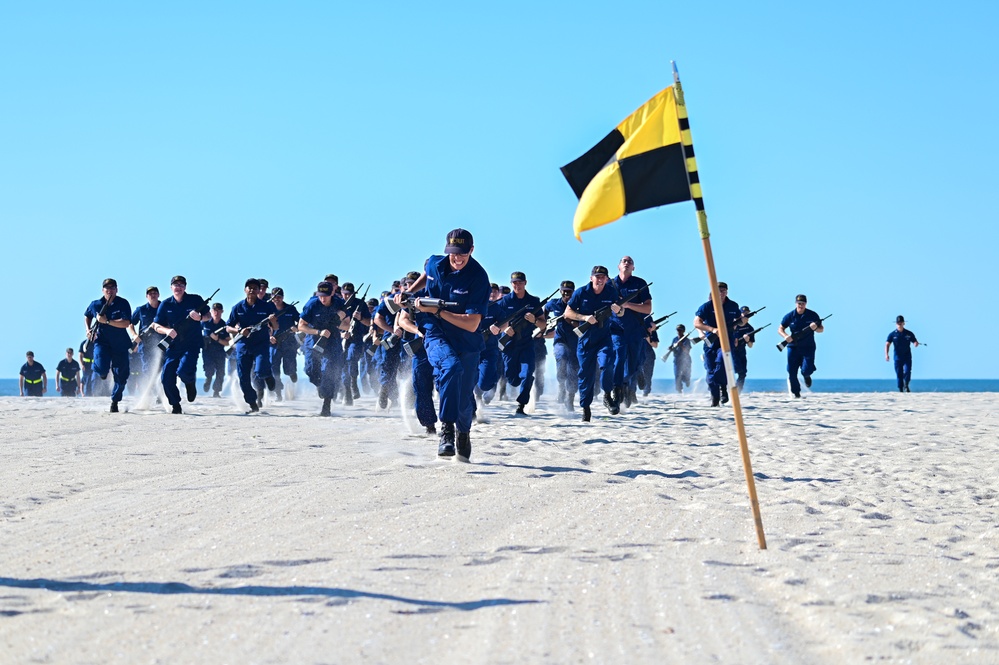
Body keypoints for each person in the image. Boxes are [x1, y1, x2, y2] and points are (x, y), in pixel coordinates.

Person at [400, 228, 490, 461]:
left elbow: (472, 324)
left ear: (471, 250)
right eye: (452, 253)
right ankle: (446, 430)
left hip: (467, 339)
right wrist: (409, 293)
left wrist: (438, 310)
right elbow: (426, 272)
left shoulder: (479, 278)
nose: (457, 258)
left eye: (462, 253)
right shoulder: (434, 263)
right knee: (450, 367)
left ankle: (463, 432)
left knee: (463, 398)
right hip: (435, 333)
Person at [564, 266, 621, 421]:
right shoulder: (581, 292)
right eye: (597, 276)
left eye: (603, 277)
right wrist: (584, 318)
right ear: (591, 278)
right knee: (585, 375)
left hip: (604, 338)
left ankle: (607, 395)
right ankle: (585, 408)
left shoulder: (611, 292)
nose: (600, 279)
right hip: (586, 341)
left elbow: (620, 312)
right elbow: (567, 313)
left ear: (607, 279)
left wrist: (619, 310)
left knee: (608, 363)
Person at [152, 275, 209, 414]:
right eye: (175, 285)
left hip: (192, 344)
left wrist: (200, 317)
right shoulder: (165, 304)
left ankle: (190, 383)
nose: (178, 287)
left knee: (184, 371)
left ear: (185, 287)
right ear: (171, 287)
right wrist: (167, 330)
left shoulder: (195, 300)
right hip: (173, 346)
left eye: (181, 285)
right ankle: (175, 404)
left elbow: (208, 316)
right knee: (166, 378)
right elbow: (156, 325)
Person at [491, 271, 545, 415]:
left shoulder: (533, 301)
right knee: (513, 379)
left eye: (520, 282)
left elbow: (543, 324)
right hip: (509, 345)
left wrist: (534, 320)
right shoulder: (505, 301)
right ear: (511, 284)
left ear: (525, 283)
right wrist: (505, 328)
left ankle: (521, 405)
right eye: (515, 283)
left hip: (527, 343)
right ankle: (519, 386)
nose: (517, 285)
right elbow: (496, 323)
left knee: (527, 373)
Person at [85, 278, 136, 412]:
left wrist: (107, 321)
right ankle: (102, 372)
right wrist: (88, 329)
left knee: (121, 375)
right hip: (102, 342)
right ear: (103, 290)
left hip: (120, 343)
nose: (110, 290)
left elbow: (126, 323)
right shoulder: (95, 304)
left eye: (112, 288)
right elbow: (87, 315)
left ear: (116, 290)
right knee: (101, 368)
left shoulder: (123, 303)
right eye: (107, 288)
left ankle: (115, 401)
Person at [227, 278, 278, 412]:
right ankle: (252, 403)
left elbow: (276, 326)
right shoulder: (237, 307)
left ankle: (268, 375)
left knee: (260, 371)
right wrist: (239, 330)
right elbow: (228, 327)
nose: (252, 290)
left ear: (259, 290)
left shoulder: (266, 306)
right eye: (249, 287)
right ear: (245, 290)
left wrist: (273, 321)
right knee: (243, 377)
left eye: (255, 288)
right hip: (243, 345)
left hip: (261, 344)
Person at [298, 281, 348, 416]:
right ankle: (320, 386)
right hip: (313, 340)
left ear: (332, 293)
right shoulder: (312, 304)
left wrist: (338, 321)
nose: (323, 298)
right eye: (320, 295)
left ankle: (327, 404)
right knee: (311, 370)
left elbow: (347, 325)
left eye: (325, 295)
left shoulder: (339, 303)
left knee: (329, 370)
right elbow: (301, 326)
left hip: (333, 341)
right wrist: (318, 332)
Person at [610, 256, 652, 408]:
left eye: (630, 262)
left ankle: (627, 385)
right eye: (624, 261)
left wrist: (628, 305)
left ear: (633, 268)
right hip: (615, 329)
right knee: (618, 358)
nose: (627, 263)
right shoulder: (610, 284)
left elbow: (648, 308)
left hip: (635, 330)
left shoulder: (640, 284)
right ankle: (617, 388)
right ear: (618, 266)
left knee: (633, 365)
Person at [693, 282, 741, 407]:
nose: (721, 293)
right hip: (711, 341)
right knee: (710, 369)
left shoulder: (733, 305)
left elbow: (738, 322)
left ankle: (722, 387)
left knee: (722, 362)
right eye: (719, 291)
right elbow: (697, 323)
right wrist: (712, 330)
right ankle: (715, 397)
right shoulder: (707, 306)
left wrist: (742, 322)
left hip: (726, 339)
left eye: (724, 291)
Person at [778, 294, 824, 398]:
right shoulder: (789, 316)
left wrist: (815, 328)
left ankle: (807, 376)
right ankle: (796, 393)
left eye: (803, 303)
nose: (801, 305)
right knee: (791, 372)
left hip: (808, 347)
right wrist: (785, 336)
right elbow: (780, 329)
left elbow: (821, 329)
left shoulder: (812, 315)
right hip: (793, 347)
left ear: (806, 304)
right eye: (799, 303)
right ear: (796, 303)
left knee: (806, 370)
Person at [544, 280, 579, 411]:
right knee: (562, 357)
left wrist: (572, 321)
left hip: (576, 343)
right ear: (560, 291)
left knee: (573, 370)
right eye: (564, 291)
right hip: (560, 340)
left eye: (569, 292)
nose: (566, 294)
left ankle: (570, 398)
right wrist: (545, 324)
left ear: (573, 292)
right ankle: (561, 388)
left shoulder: (578, 304)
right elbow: (545, 310)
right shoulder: (555, 303)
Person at [339, 282, 370, 402]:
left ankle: (353, 382)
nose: (347, 296)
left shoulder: (360, 304)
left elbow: (369, 322)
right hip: (340, 338)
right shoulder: (337, 304)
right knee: (342, 364)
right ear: (341, 293)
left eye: (349, 294)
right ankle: (347, 391)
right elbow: (330, 324)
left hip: (356, 337)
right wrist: (341, 334)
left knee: (352, 358)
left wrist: (360, 318)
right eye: (345, 294)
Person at [130, 286, 165, 394]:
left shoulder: (164, 307)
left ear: (158, 295)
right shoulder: (141, 310)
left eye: (155, 293)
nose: (153, 295)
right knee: (147, 370)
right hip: (145, 345)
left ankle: (162, 391)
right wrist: (134, 335)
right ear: (146, 296)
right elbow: (130, 323)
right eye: (150, 294)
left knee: (163, 369)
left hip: (162, 343)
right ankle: (154, 390)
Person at [269, 287, 301, 401]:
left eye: (279, 297)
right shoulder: (268, 309)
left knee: (289, 368)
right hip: (274, 344)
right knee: (274, 369)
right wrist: (269, 337)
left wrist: (296, 328)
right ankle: (278, 393)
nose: (276, 299)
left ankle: (292, 374)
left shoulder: (290, 309)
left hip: (289, 343)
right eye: (274, 297)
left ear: (283, 297)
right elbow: (263, 326)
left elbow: (301, 322)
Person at [202, 303, 230, 397]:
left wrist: (217, 339)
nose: (216, 313)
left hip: (219, 351)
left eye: (218, 310)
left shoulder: (224, 325)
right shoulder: (205, 323)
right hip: (207, 350)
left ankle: (216, 392)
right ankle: (208, 379)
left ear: (222, 311)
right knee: (209, 369)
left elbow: (227, 342)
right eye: (214, 310)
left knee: (220, 372)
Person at [886, 315, 919, 392]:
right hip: (897, 357)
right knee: (899, 373)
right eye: (898, 322)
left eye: (901, 322)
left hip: (907, 356)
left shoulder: (909, 333)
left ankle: (906, 384)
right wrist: (886, 354)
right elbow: (887, 344)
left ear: (904, 323)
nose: (899, 324)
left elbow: (914, 340)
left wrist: (915, 343)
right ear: (896, 324)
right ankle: (900, 389)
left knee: (907, 371)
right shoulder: (892, 334)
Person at [731, 306, 757, 392]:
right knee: (734, 369)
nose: (747, 316)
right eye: (744, 314)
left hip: (742, 352)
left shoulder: (750, 328)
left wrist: (748, 340)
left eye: (748, 314)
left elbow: (750, 345)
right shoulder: (733, 325)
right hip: (732, 352)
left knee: (743, 373)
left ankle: (738, 390)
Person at [669, 324, 692, 393]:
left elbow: (687, 351)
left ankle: (686, 380)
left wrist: (681, 345)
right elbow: (672, 347)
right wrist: (670, 348)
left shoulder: (686, 340)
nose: (679, 331)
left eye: (680, 330)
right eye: (677, 330)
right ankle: (679, 390)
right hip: (677, 359)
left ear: (683, 331)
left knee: (686, 375)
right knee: (677, 375)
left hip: (686, 360)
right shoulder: (675, 339)